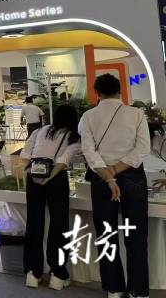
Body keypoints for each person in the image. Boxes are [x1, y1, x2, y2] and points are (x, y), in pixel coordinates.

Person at [78, 74, 150, 298]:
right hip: (133, 176)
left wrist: (108, 174)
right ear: (120, 91)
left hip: (101, 177)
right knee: (136, 235)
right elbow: (143, 148)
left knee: (106, 234)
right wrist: (117, 169)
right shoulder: (136, 114)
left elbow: (88, 150)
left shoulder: (88, 116)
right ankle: (138, 291)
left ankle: (113, 288)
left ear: (97, 93)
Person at [20, 104, 80, 291]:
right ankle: (58, 275)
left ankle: (33, 273)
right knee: (59, 225)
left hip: (33, 179)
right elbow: (63, 161)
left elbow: (25, 154)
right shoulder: (73, 136)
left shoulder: (40, 130)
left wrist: (34, 175)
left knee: (34, 223)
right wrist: (48, 178)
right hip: (56, 180)